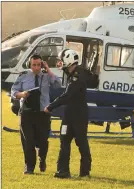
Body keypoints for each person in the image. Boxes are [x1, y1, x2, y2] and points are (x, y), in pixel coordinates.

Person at [44, 49, 92, 178]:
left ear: (68, 60)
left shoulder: (78, 77)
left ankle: (85, 172)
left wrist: (51, 106)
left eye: (62, 60)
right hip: (69, 115)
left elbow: (67, 96)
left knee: (81, 142)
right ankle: (63, 171)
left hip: (79, 116)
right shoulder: (71, 74)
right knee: (64, 140)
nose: (60, 63)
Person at [11, 54, 61, 174]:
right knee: (28, 141)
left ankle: (42, 158)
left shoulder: (46, 76)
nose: (37, 68)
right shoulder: (23, 76)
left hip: (42, 113)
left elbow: (58, 84)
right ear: (30, 64)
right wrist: (22, 94)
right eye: (34, 65)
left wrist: (48, 69)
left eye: (39, 65)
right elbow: (14, 92)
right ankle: (29, 167)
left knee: (43, 141)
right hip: (27, 113)